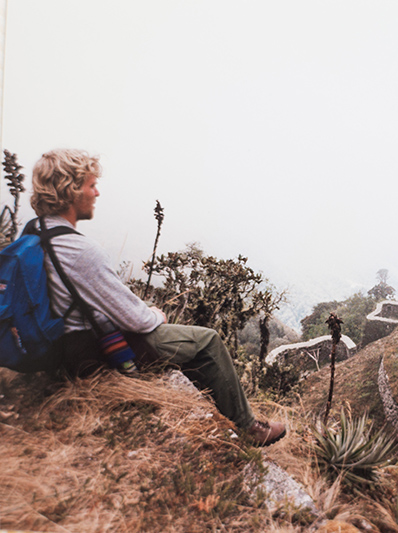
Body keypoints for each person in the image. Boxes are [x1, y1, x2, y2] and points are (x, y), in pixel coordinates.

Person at [29, 148, 285, 447]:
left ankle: (216, 417)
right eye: (90, 185)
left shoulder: (34, 234)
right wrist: (155, 314)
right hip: (93, 351)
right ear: (71, 191)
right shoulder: (81, 252)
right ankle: (248, 428)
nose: (97, 192)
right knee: (208, 342)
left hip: (61, 347)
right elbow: (137, 320)